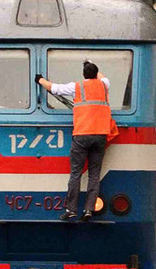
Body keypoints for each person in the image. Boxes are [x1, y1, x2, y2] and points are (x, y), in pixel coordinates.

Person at [36, 60, 113, 222]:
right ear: (96, 74)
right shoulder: (104, 85)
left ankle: (71, 209)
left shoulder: (77, 87)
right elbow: (102, 76)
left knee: (76, 173)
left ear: (83, 75)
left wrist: (40, 80)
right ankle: (89, 210)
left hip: (82, 135)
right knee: (94, 175)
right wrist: (91, 63)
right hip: (100, 136)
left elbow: (54, 89)